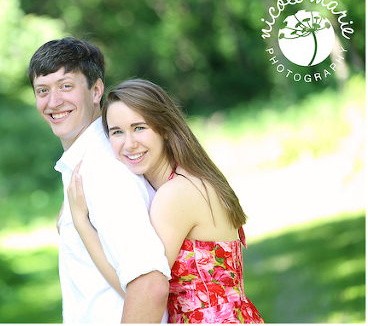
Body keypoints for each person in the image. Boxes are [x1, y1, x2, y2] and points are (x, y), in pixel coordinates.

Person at [67, 79, 265, 323]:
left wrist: (81, 223)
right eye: (117, 132)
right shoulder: (190, 178)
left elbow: (143, 292)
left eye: (139, 128)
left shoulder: (175, 194)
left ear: (165, 129)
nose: (129, 144)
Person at [28, 37, 171, 323]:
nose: (53, 101)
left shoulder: (103, 171)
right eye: (42, 90)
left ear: (96, 90)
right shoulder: (85, 165)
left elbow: (149, 286)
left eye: (66, 86)